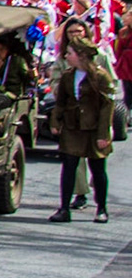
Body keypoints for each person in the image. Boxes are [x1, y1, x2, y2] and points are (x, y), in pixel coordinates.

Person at [48, 27, 114, 224]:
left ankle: (101, 209)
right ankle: (64, 209)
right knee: (68, 167)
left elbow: (107, 107)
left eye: (70, 53)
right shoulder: (68, 76)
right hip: (73, 127)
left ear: (81, 56)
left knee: (98, 169)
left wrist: (104, 134)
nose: (67, 56)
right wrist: (55, 122)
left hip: (94, 129)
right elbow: (61, 101)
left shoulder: (100, 77)